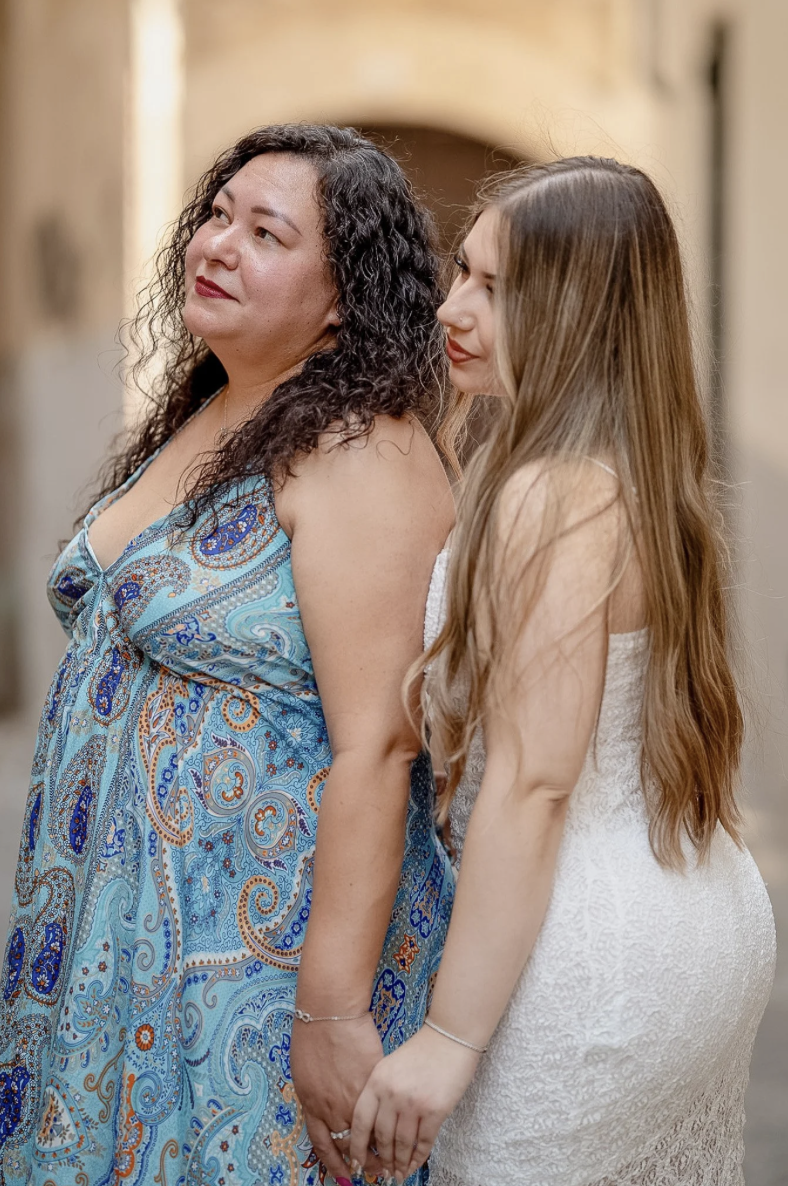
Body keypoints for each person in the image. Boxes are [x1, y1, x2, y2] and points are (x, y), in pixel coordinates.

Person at [0, 124, 456, 1186]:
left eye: (265, 231)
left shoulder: (359, 446)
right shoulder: (211, 410)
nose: (217, 243)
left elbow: (380, 744)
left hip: (251, 969)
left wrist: (329, 1012)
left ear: (342, 296)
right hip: (115, 956)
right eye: (216, 214)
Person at [349, 157, 777, 1186]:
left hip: (581, 957)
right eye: (461, 270)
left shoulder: (552, 495)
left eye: (497, 288)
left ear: (578, 308)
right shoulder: (634, 473)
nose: (453, 305)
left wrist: (446, 1042)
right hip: (691, 910)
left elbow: (535, 784)